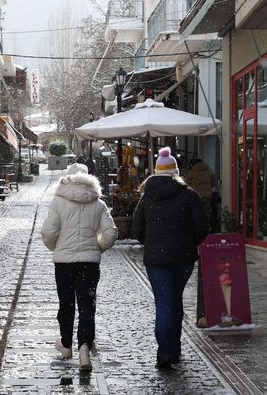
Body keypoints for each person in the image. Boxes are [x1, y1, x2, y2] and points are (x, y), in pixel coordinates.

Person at [131, 146, 209, 369]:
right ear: (175, 172)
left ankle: (167, 351)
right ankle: (172, 349)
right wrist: (187, 243)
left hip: (157, 260)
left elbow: (136, 229)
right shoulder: (189, 195)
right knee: (175, 299)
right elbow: (202, 227)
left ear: (156, 171)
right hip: (183, 258)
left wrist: (153, 244)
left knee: (165, 302)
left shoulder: (147, 197)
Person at [41, 163, 118, 371]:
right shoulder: (98, 204)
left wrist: (55, 248)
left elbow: (48, 231)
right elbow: (111, 233)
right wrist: (95, 248)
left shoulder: (58, 201)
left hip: (64, 263)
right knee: (87, 304)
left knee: (66, 304)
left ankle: (66, 345)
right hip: (89, 264)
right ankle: (84, 347)